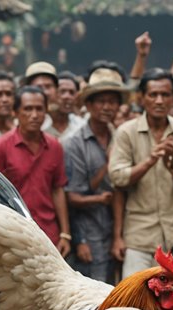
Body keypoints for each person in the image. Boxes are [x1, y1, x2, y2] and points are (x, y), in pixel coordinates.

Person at [108, 68, 173, 278]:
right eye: (153, 95)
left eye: (165, 95)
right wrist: (150, 160)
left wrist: (171, 165)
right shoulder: (126, 132)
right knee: (133, 305)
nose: (159, 101)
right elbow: (117, 178)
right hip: (138, 237)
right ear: (141, 98)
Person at [0, 86, 71, 255]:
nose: (34, 115)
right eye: (28, 109)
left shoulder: (55, 146)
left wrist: (65, 234)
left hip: (48, 234)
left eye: (39, 109)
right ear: (16, 112)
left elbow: (57, 189)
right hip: (11, 233)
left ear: (46, 112)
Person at [63, 68, 129, 283]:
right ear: (89, 105)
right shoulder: (75, 143)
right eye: (101, 101)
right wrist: (79, 240)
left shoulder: (122, 136)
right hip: (89, 232)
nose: (107, 107)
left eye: (112, 102)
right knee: (94, 292)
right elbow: (73, 197)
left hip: (120, 228)